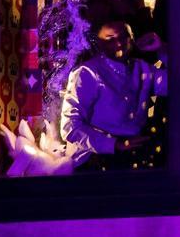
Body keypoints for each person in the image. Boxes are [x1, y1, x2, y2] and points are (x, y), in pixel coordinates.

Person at [60, 19, 167, 170]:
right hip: (96, 159)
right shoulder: (87, 72)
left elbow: (176, 84)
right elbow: (70, 126)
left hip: (134, 155)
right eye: (110, 39)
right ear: (100, 43)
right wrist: (114, 144)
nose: (119, 44)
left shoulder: (142, 68)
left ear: (132, 38)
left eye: (123, 37)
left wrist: (162, 49)